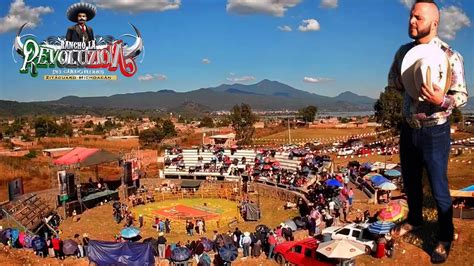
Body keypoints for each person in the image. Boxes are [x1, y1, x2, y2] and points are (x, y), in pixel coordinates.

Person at [388, 0, 468, 263]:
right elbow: (392, 83)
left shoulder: (450, 55)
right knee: (410, 181)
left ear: (434, 22)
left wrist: (441, 101)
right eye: (411, 16)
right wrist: (400, 82)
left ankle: (445, 237)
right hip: (408, 127)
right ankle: (415, 220)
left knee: (438, 187)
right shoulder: (402, 52)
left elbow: (462, 96)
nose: (411, 21)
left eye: (418, 18)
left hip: (435, 131)